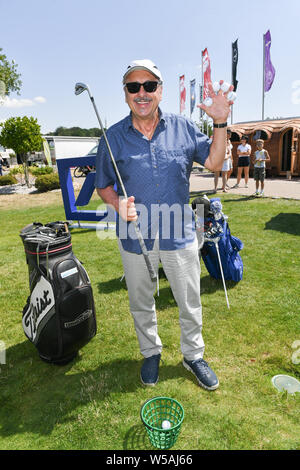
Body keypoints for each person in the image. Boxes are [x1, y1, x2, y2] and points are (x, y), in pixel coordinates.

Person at [95, 59, 234, 391]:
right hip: (134, 236)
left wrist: (220, 122)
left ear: (161, 90)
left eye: (149, 86)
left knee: (189, 299)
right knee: (141, 301)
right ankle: (150, 352)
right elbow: (103, 185)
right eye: (133, 87)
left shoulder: (183, 127)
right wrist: (117, 204)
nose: (141, 93)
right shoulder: (111, 137)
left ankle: (193, 355)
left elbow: (215, 162)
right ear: (126, 94)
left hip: (180, 232)